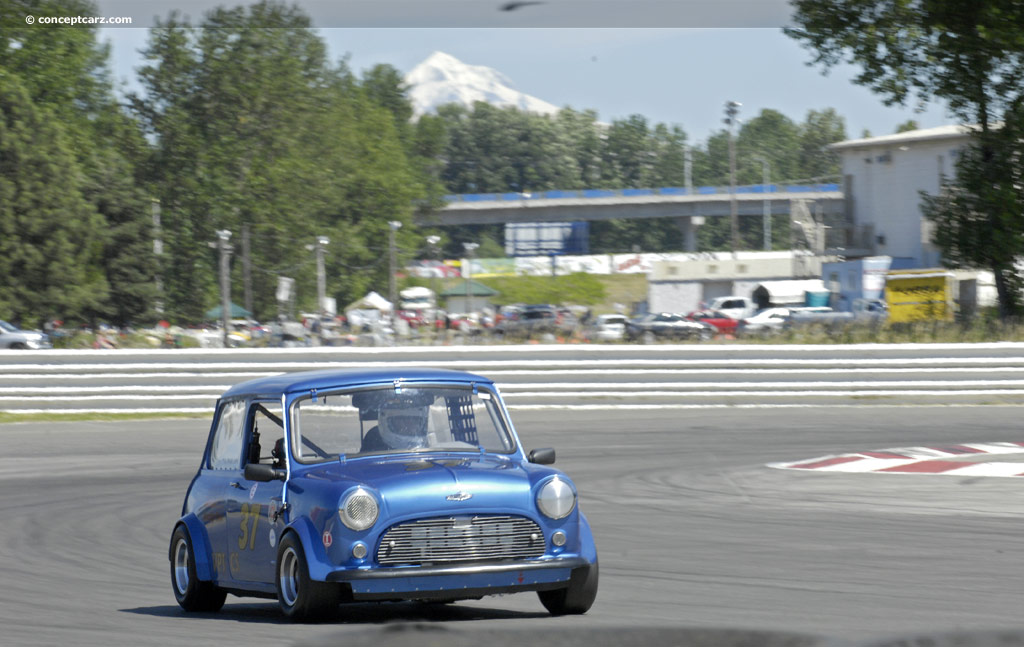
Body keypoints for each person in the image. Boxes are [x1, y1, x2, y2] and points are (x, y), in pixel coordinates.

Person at [361, 404, 430, 452]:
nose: (410, 425)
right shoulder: (373, 441)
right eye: (403, 420)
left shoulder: (427, 451)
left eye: (415, 421)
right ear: (385, 423)